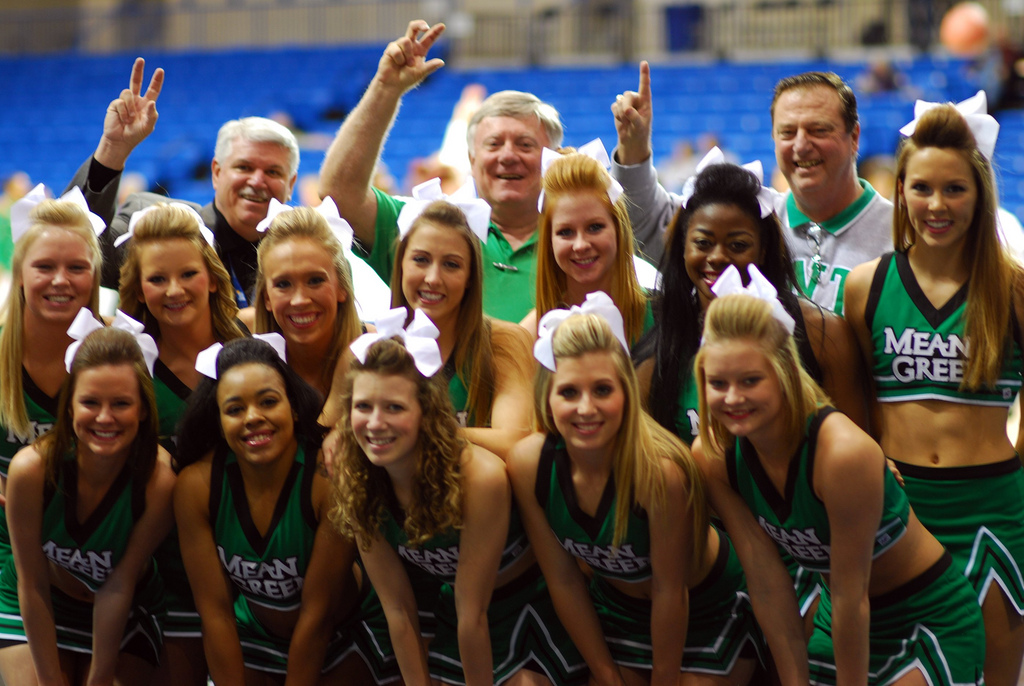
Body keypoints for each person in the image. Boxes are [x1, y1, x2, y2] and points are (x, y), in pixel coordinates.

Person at [692, 291, 985, 685]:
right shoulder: (713, 455)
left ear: (784, 374)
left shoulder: (842, 454)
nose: (732, 398)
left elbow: (853, 596)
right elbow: (765, 580)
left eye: (750, 380)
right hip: (838, 616)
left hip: (925, 614)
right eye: (718, 383)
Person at [844, 97, 1024, 686]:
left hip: (994, 513)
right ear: (900, 190)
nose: (936, 205)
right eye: (921, 188)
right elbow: (852, 412)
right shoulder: (865, 288)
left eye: (954, 189)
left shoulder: (1014, 290)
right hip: (899, 514)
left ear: (979, 194)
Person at [508, 301, 763, 685]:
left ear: (626, 391)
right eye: (569, 392)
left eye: (602, 390)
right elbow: (564, 581)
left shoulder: (660, 472)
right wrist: (606, 673)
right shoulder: (529, 465)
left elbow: (669, 591)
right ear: (547, 397)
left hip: (707, 608)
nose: (586, 408)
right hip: (616, 611)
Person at [330, 326, 587, 686]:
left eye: (394, 407)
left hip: (529, 606)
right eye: (363, 406)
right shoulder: (356, 481)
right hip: (453, 611)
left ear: (426, 413)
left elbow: (474, 615)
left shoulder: (481, 477)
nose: (375, 423)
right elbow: (399, 611)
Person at [319, 20, 565, 323]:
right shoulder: (426, 230)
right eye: (494, 144)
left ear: (551, 159)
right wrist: (386, 88)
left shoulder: (575, 243)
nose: (508, 156)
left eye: (525, 145)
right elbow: (339, 193)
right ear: (471, 162)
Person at [610, 65, 892, 315]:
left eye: (818, 130)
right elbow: (645, 221)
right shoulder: (750, 223)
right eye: (787, 132)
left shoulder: (900, 233)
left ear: (853, 137)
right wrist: (633, 146)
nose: (801, 145)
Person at [635, 160, 869, 449]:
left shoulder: (823, 335)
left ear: (763, 250)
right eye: (703, 243)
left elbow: (855, 448)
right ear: (683, 248)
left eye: (737, 245)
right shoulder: (659, 345)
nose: (718, 257)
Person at [174, 337, 366, 685]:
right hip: (255, 635)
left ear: (292, 406)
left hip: (345, 632)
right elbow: (215, 612)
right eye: (234, 409)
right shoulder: (197, 486)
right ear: (218, 420)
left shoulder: (327, 479)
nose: (253, 418)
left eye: (268, 402)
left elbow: (317, 615)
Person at [116, 201, 247, 685]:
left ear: (213, 277)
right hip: (161, 584)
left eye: (188, 273)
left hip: (257, 578)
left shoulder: (255, 345)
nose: (173, 291)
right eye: (156, 279)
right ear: (138, 288)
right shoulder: (126, 367)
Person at [0, 327, 176, 685]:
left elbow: (118, 585)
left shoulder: (159, 478)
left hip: (128, 610)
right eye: (90, 402)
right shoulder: (30, 470)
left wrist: (98, 679)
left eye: (121, 404)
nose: (105, 418)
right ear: (68, 406)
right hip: (40, 599)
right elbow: (31, 583)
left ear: (143, 409)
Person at [67, 58, 300, 306]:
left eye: (273, 172)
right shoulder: (158, 225)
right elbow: (75, 247)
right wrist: (113, 149)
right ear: (216, 173)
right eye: (244, 167)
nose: (257, 180)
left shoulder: (302, 255)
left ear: (291, 185)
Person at [391, 199, 534, 459]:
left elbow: (516, 443)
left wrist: (416, 431)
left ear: (470, 277)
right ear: (401, 264)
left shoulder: (503, 342)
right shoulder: (376, 343)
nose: (433, 278)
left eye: (451, 265)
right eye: (421, 260)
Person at [0, 191, 103, 482]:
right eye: (44, 267)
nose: (60, 280)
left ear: (94, 275)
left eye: (76, 267)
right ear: (19, 273)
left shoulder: (119, 353)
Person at [521, 146, 652, 346]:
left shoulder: (663, 318)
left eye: (595, 227)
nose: (580, 245)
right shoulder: (529, 337)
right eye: (565, 232)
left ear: (618, 229)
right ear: (549, 241)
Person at [251, 203, 364, 425]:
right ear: (266, 298)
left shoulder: (376, 354)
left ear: (342, 286)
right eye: (283, 284)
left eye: (315, 280)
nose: (300, 300)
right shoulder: (241, 358)